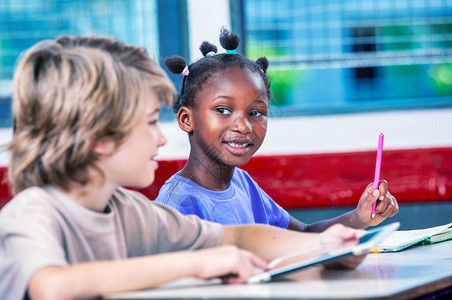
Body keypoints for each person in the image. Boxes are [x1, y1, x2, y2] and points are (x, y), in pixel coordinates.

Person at [0, 35, 365, 300]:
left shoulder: (129, 212)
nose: (160, 139)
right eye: (147, 123)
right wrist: (193, 264)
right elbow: (52, 287)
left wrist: (325, 246)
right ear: (100, 137)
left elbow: (238, 238)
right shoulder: (33, 213)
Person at [155, 27, 399, 232]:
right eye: (223, 110)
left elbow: (302, 235)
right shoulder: (176, 206)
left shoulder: (241, 183)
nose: (243, 126)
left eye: (256, 112)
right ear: (187, 119)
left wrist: (359, 218)